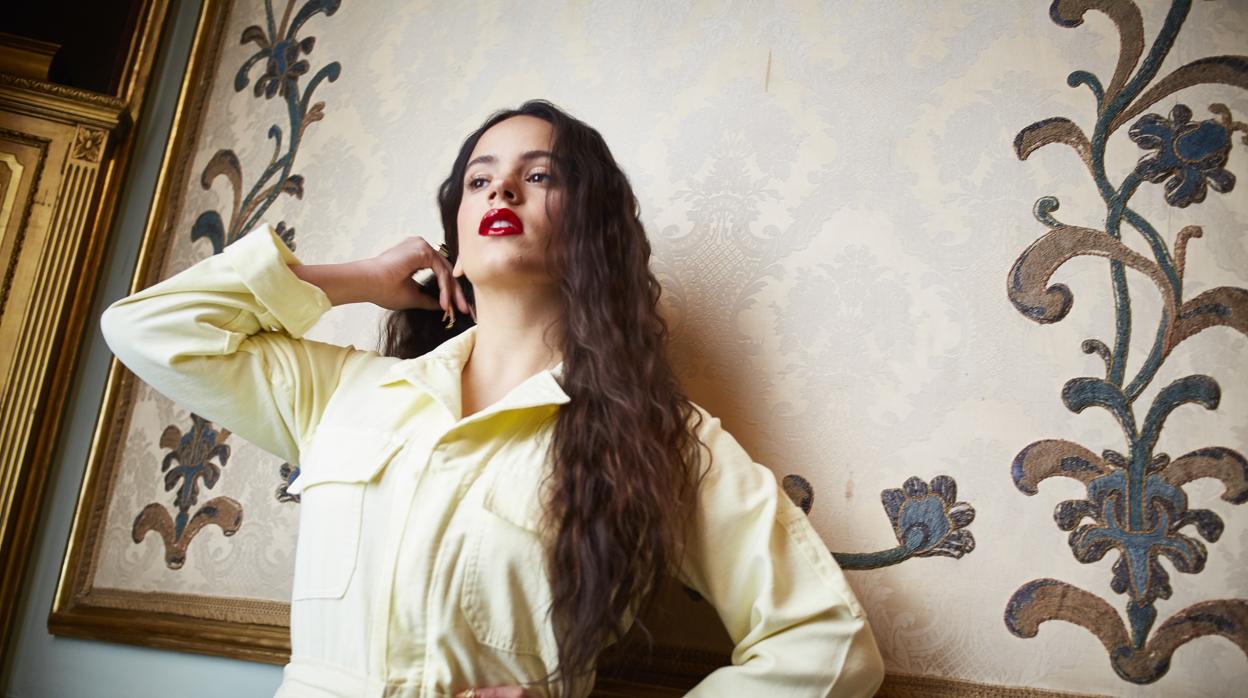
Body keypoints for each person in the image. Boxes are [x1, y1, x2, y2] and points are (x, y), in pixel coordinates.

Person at [101, 100, 884, 697]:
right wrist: (355, 280)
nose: (502, 186)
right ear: (457, 233)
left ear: (593, 229)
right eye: (480, 178)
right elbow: (146, 329)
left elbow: (829, 643)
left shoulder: (657, 440)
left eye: (540, 174)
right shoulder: (346, 392)